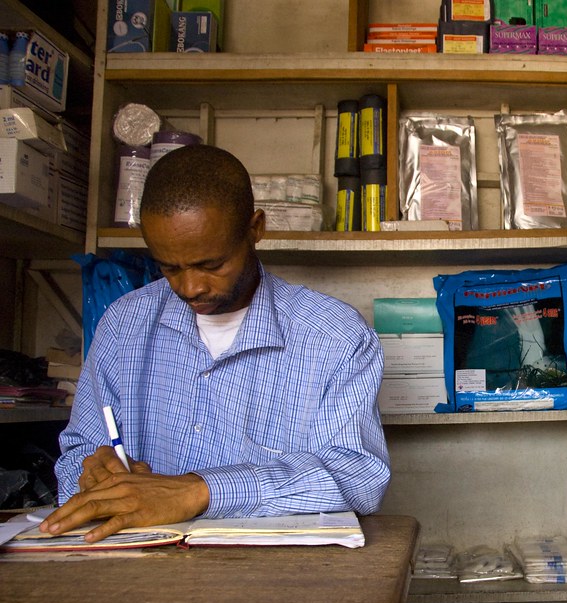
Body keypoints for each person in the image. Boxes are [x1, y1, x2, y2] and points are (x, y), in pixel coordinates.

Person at [42, 145, 390, 542]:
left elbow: (358, 477)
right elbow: (76, 454)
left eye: (212, 265)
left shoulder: (334, 336)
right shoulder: (125, 324)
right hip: (137, 574)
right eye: (169, 267)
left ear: (255, 228)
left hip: (275, 579)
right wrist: (94, 473)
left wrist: (199, 491)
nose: (190, 287)